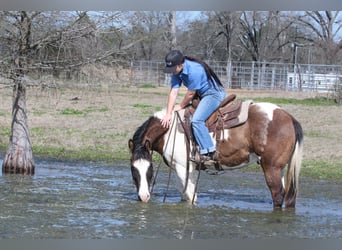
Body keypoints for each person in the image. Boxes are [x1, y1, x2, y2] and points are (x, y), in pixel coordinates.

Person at [160, 50, 226, 163]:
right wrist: (168, 113)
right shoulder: (177, 72)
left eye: (173, 69)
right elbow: (173, 92)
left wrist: (181, 105)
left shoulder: (195, 70)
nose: (172, 72)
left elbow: (190, 93)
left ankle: (209, 152)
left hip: (213, 94)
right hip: (200, 93)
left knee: (197, 120)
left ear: (181, 65)